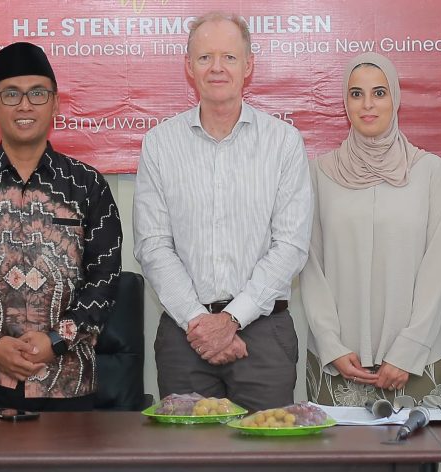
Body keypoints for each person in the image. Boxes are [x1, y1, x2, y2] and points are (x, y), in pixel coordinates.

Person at [133, 11, 312, 412]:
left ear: (248, 66)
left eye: (229, 57)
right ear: (188, 66)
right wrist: (199, 322)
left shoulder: (283, 143)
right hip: (185, 335)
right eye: (205, 57)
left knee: (267, 443)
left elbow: (291, 246)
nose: (217, 68)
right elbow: (153, 245)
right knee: (188, 447)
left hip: (263, 335)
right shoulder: (160, 144)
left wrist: (231, 320)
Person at [0, 42, 122, 412]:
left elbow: (105, 279)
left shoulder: (86, 185)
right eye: (11, 94)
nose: (24, 105)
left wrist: (57, 340)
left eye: (37, 93)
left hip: (67, 383)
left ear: (55, 103)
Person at [302, 53, 441, 409]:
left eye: (379, 93)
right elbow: (311, 265)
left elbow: (438, 268)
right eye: (356, 94)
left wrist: (408, 350)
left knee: (415, 447)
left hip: (416, 360)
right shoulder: (320, 173)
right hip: (339, 362)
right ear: (345, 102)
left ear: (395, 98)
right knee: (339, 448)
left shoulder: (429, 171)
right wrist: (331, 345)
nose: (367, 104)